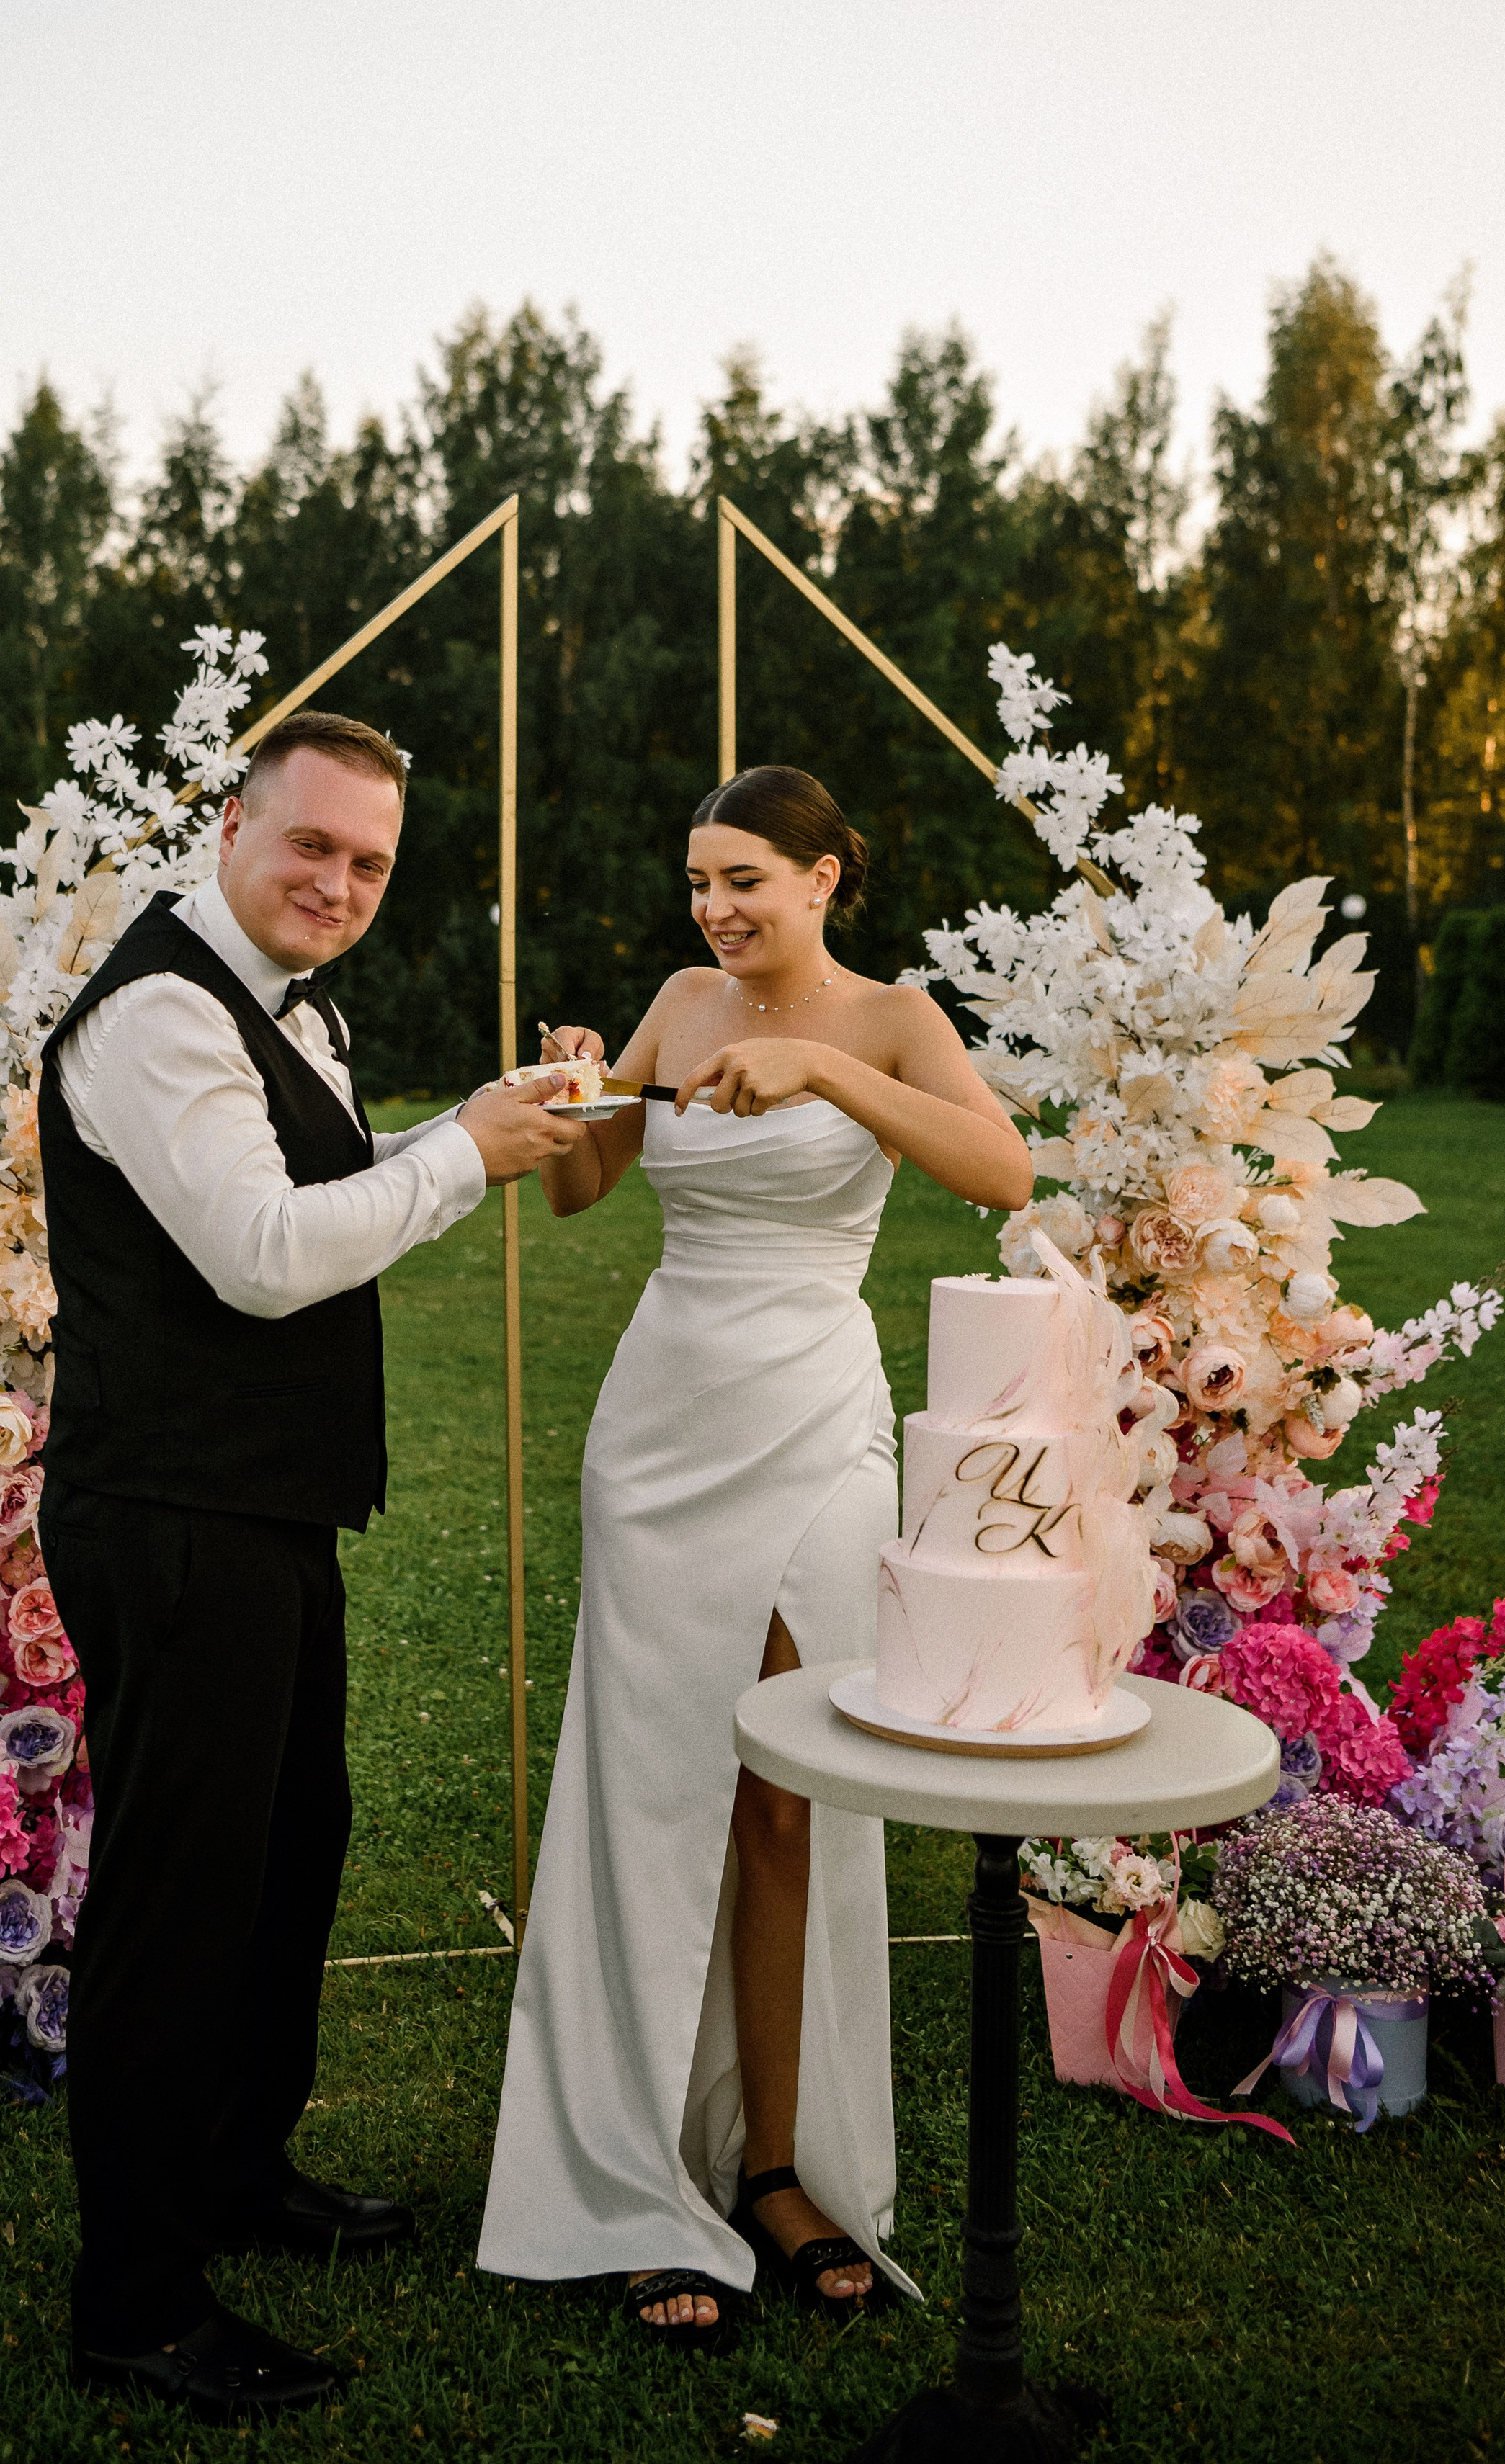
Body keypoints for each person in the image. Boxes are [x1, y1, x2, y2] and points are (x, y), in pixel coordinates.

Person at [37, 711, 584, 2422]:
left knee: (290, 1846)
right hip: (172, 1513)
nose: (337, 883)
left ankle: (232, 2172)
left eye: (368, 863)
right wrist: (466, 1153)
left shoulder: (296, 1010)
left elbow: (312, 1179)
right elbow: (266, 1255)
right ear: (229, 825)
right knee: (180, 1897)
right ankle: (136, 2295)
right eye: (310, 846)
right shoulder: (153, 1017)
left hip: (266, 1507)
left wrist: (458, 1131)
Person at [478, 764, 1032, 2349]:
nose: (717, 910)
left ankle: (778, 2164)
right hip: (660, 1429)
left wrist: (818, 1069)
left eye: (745, 881)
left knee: (787, 1792)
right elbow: (586, 1192)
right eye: (699, 884)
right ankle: (629, 2173)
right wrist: (584, 1085)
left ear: (824, 880)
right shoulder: (675, 997)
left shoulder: (891, 1019)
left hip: (813, 1423)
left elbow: (1000, 1173)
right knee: (651, 1788)